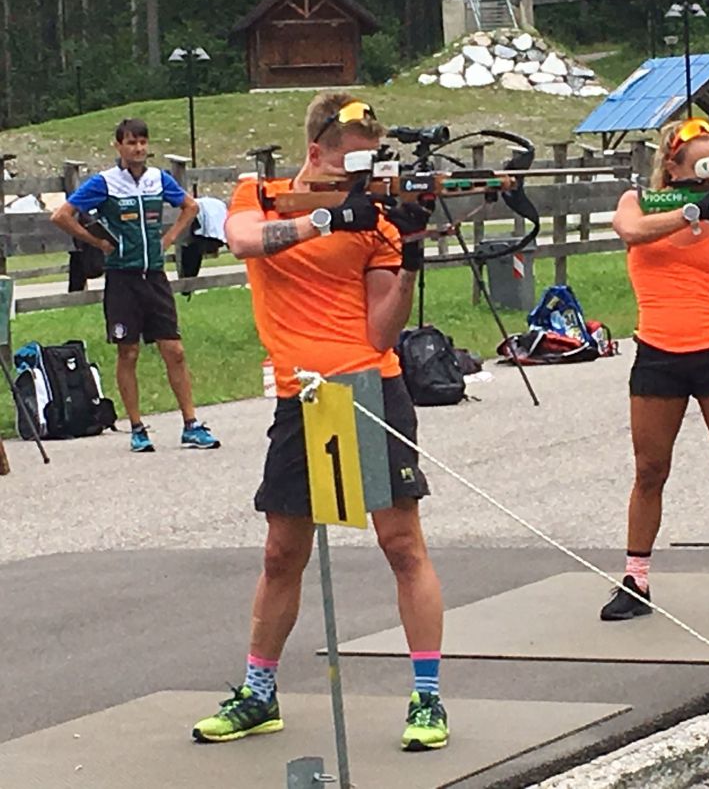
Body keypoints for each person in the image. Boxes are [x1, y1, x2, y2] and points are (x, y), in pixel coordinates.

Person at [192, 92, 449, 752]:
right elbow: (242, 239)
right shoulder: (264, 192)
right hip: (298, 394)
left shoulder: (378, 219)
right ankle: (258, 691)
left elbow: (380, 330)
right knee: (282, 551)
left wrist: (410, 253)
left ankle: (426, 696)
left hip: (370, 384)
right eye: (350, 160)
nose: (361, 173)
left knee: (401, 544)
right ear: (315, 153)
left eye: (369, 159)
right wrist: (327, 219)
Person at [600, 117, 709, 622]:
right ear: (672, 165)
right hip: (658, 352)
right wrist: (694, 211)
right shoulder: (640, 201)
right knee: (649, 470)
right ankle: (635, 580)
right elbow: (630, 230)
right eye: (700, 161)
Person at [50, 118, 220, 452]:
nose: (138, 148)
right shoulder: (105, 183)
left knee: (175, 350)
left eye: (142, 142)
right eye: (131, 142)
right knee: (128, 351)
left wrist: (169, 238)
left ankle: (191, 423)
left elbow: (190, 205)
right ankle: (137, 427)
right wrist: (95, 243)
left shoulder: (159, 179)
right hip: (122, 279)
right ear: (118, 146)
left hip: (154, 276)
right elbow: (61, 215)